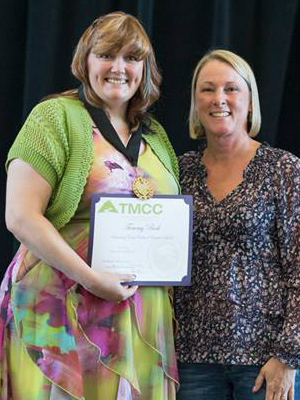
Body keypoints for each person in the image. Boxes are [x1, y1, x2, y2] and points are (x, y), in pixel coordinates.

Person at [0, 11, 180, 400]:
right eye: (107, 55)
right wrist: (91, 277)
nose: (119, 68)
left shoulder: (155, 135)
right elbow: (19, 215)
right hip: (60, 315)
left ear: (145, 68)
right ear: (85, 60)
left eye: (132, 58)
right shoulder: (55, 117)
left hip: (138, 322)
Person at [174, 49, 300, 400]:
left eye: (231, 89)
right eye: (207, 89)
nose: (219, 99)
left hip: (264, 359)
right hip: (192, 359)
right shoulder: (178, 172)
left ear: (249, 100)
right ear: (195, 101)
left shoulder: (283, 170)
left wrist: (289, 356)